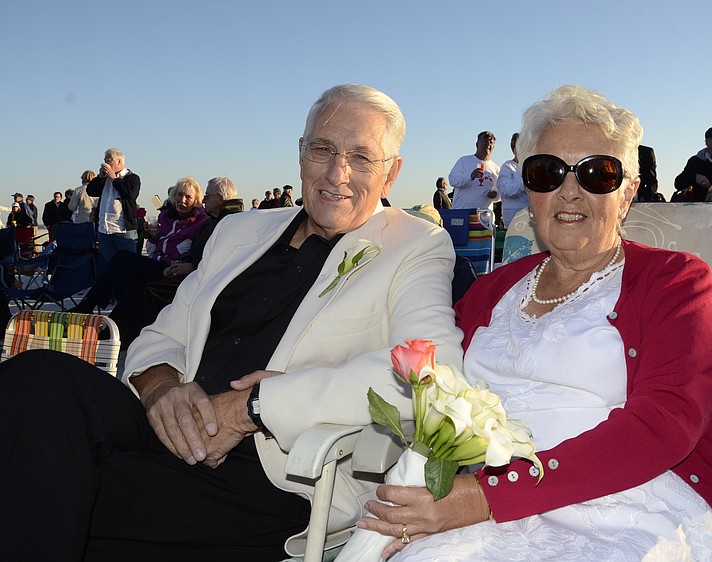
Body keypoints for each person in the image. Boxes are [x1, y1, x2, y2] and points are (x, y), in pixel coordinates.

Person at [0, 83, 463, 561]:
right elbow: (161, 335)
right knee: (40, 378)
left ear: (392, 175)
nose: (337, 172)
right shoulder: (239, 230)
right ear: (300, 155)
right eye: (322, 149)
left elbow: (434, 372)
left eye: (362, 157)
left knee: (48, 483)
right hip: (170, 425)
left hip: (272, 472)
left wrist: (253, 408)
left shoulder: (413, 246)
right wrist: (161, 389)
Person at [357, 85, 712, 562]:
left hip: (625, 503)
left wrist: (487, 497)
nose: (569, 190)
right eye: (547, 172)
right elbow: (424, 378)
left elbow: (665, 424)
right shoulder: (489, 291)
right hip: (472, 498)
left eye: (597, 173)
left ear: (627, 193)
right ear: (530, 191)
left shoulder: (676, 282)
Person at [108, 177, 242, 348]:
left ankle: (114, 336)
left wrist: (191, 266)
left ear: (220, 199)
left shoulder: (229, 222)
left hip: (204, 281)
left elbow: (224, 259)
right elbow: (197, 252)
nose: (204, 201)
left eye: (207, 197)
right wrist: (185, 262)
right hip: (190, 271)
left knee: (143, 288)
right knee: (125, 276)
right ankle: (113, 332)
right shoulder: (214, 221)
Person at [71, 176, 208, 314]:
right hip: (158, 264)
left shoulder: (201, 222)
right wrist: (154, 236)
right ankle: (116, 323)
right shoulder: (166, 216)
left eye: (188, 197)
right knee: (120, 277)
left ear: (196, 201)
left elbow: (196, 252)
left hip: (174, 269)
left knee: (122, 257)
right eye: (179, 195)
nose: (182, 200)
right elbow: (155, 248)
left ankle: (89, 306)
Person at [86, 147, 142, 276]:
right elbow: (91, 191)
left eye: (109, 160)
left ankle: (126, 293)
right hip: (104, 230)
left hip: (123, 231)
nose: (106, 163)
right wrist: (100, 177)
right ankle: (111, 294)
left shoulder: (132, 178)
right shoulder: (104, 179)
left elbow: (130, 193)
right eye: (105, 160)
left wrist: (114, 178)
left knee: (127, 266)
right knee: (108, 267)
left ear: (119, 162)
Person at [448, 131, 500, 211]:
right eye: (484, 142)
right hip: (462, 212)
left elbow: (500, 192)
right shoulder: (464, 161)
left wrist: (495, 195)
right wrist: (470, 176)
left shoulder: (496, 169)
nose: (488, 145)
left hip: (484, 216)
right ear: (477, 144)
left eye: (491, 143)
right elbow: (452, 180)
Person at [497, 132, 528, 230]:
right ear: (513, 149)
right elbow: (506, 190)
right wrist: (526, 182)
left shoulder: (532, 165)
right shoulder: (507, 167)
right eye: (518, 146)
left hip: (532, 215)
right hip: (513, 217)